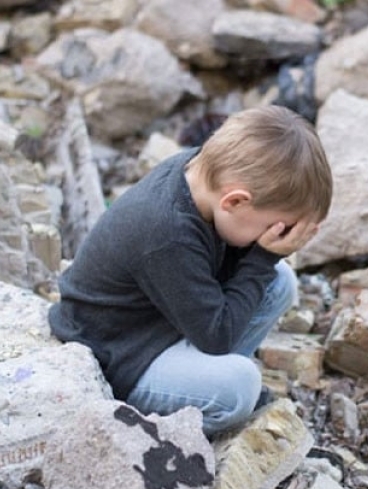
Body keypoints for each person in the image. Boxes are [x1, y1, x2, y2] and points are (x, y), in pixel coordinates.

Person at [48, 105, 333, 436]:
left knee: (279, 282)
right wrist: (262, 257)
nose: (274, 237)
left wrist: (265, 255)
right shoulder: (166, 232)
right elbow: (217, 336)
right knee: (239, 386)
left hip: (157, 324)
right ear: (235, 202)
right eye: (273, 227)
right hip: (116, 356)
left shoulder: (203, 174)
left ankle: (202, 378)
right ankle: (169, 427)